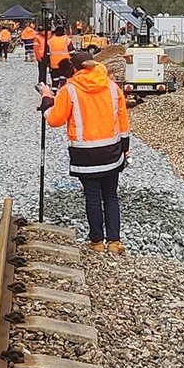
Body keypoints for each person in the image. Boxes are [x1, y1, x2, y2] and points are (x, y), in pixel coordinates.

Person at [41, 55, 130, 252]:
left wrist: (47, 99)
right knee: (111, 196)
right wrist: (125, 148)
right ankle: (114, 241)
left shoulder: (70, 90)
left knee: (92, 197)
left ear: (75, 69)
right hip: (111, 152)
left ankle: (97, 242)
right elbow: (123, 120)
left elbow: (55, 119)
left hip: (84, 154)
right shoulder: (112, 87)